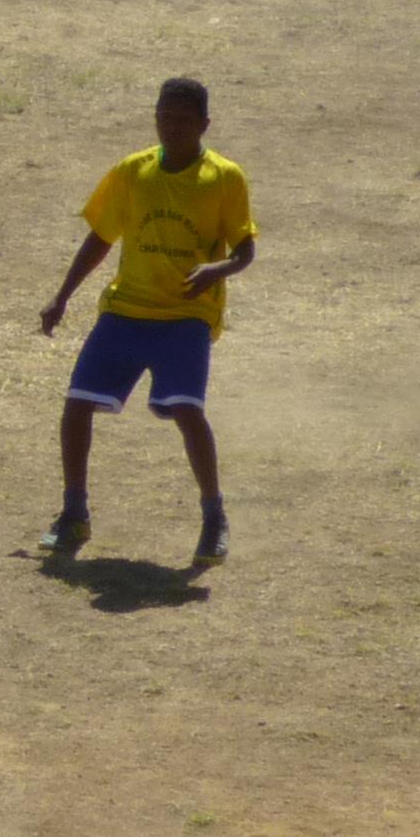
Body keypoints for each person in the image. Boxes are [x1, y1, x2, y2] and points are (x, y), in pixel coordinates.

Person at [36, 76, 256, 565]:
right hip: (126, 310)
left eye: (183, 120)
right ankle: (73, 513)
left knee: (186, 411)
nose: (172, 127)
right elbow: (100, 238)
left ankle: (213, 517)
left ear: (204, 124)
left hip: (186, 315)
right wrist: (62, 296)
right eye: (164, 116)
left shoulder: (224, 178)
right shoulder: (133, 172)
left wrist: (216, 269)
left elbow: (245, 250)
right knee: (76, 405)